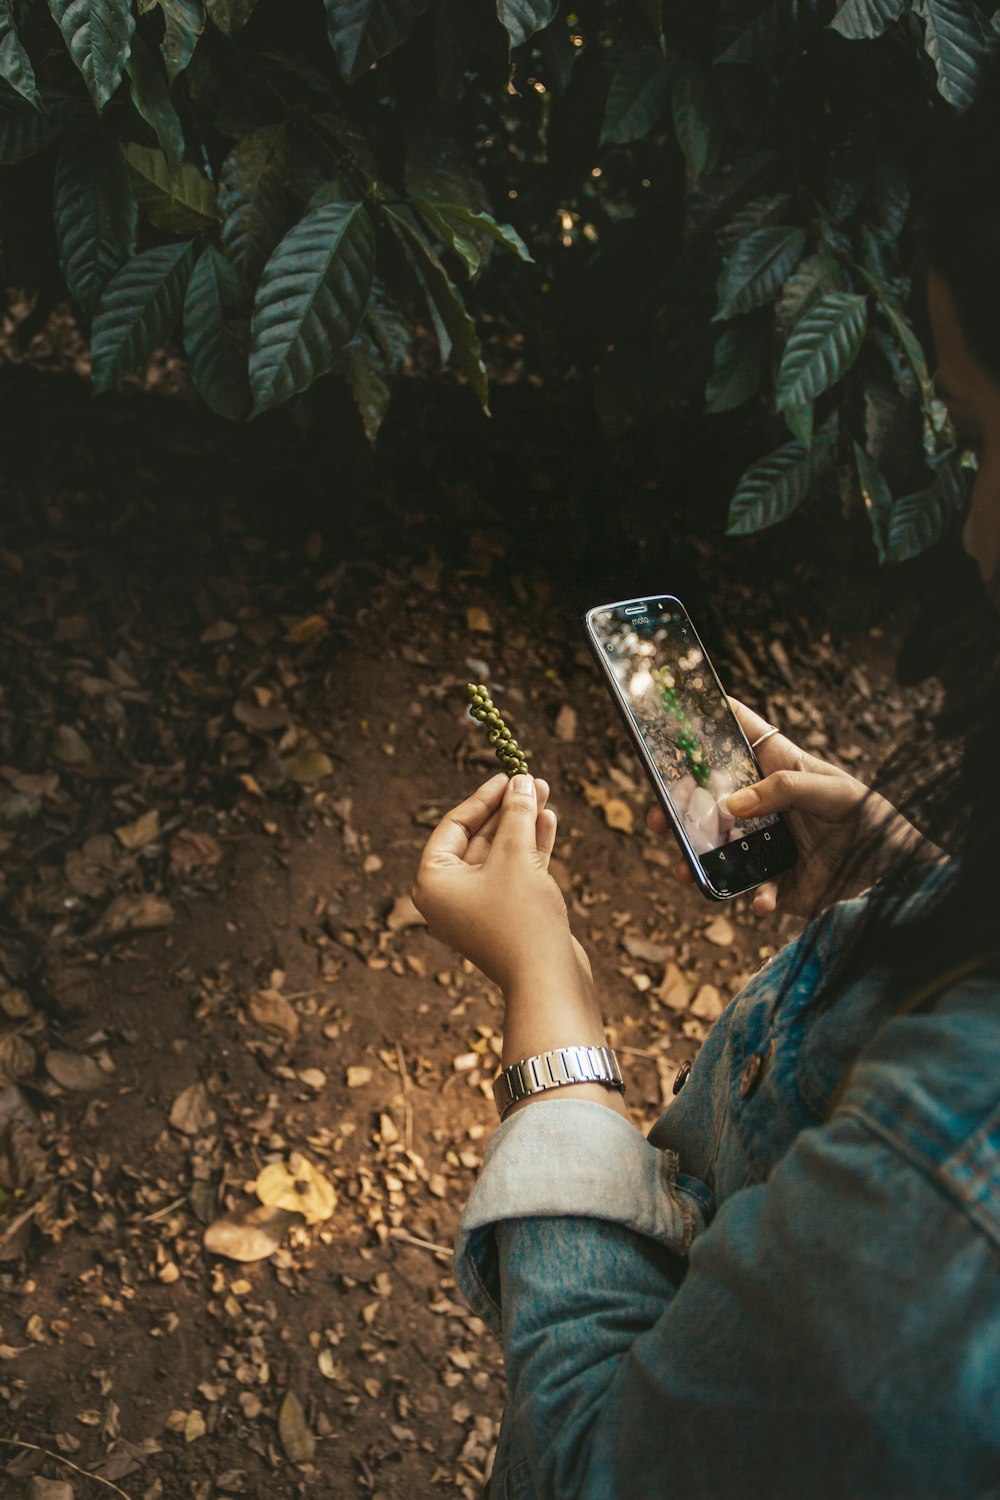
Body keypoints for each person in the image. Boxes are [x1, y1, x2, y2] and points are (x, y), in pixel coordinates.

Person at [410, 58, 1000, 1500]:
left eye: (987, 441)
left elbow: (607, 1466)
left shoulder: (959, 1178)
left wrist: (550, 1007)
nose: (977, 535)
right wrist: (915, 881)